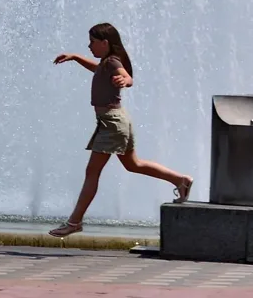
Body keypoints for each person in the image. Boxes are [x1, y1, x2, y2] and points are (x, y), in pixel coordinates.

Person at [49, 22, 193, 238]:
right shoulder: (105, 62)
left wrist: (125, 80)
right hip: (116, 121)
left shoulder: (113, 62)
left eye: (93, 42)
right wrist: (76, 58)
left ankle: (74, 222)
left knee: (92, 172)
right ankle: (180, 180)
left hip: (112, 123)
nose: (90, 46)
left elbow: (127, 76)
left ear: (105, 43)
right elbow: (96, 69)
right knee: (134, 164)